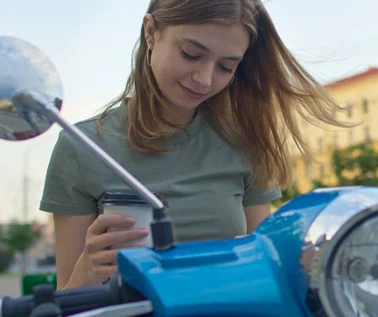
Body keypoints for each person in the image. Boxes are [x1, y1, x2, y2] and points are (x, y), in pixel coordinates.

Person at [39, 0, 350, 290]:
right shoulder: (81, 146)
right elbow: (68, 301)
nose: (204, 79)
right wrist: (88, 270)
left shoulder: (245, 141)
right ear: (151, 32)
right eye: (191, 53)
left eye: (226, 67)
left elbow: (263, 274)